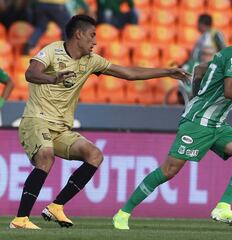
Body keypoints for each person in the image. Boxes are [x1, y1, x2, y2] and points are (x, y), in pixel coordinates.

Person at [9, 14, 190, 230]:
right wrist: (53, 78)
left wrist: (167, 72)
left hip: (60, 128)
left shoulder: (92, 61)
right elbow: (31, 73)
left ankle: (56, 206)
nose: (95, 41)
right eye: (92, 35)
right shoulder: (52, 50)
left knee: (94, 155)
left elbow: (129, 73)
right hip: (35, 120)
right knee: (46, 156)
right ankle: (20, 219)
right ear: (78, 34)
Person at [113, 19, 232, 230]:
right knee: (169, 170)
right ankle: (123, 213)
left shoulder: (227, 54)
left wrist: (197, 95)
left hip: (216, 124)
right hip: (199, 123)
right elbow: (230, 90)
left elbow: (200, 68)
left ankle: (223, 206)